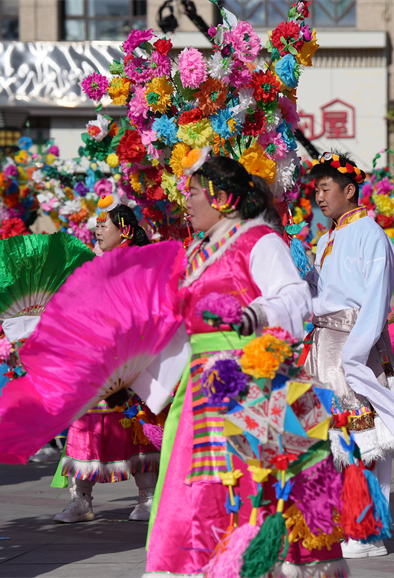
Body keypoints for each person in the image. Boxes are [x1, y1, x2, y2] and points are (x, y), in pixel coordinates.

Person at [145, 150, 322, 576]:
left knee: (250, 485)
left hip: (249, 388)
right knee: (195, 490)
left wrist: (257, 315)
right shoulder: (199, 252)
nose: (185, 201)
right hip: (201, 392)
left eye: (192, 193)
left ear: (222, 197)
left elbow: (296, 296)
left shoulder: (258, 240)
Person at [304, 151, 394, 559]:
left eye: (325, 188)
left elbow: (374, 301)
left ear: (349, 190)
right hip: (322, 347)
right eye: (316, 188)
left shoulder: (371, 234)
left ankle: (366, 529)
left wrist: (355, 353)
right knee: (329, 440)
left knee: (363, 440)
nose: (318, 195)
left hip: (354, 345)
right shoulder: (327, 237)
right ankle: (340, 521)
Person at [53, 197, 160, 524]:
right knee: (84, 426)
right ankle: (81, 499)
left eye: (104, 225)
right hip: (91, 359)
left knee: (135, 426)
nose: (98, 230)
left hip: (128, 361)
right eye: (97, 224)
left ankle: (148, 498)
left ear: (124, 230)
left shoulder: (139, 264)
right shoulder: (89, 264)